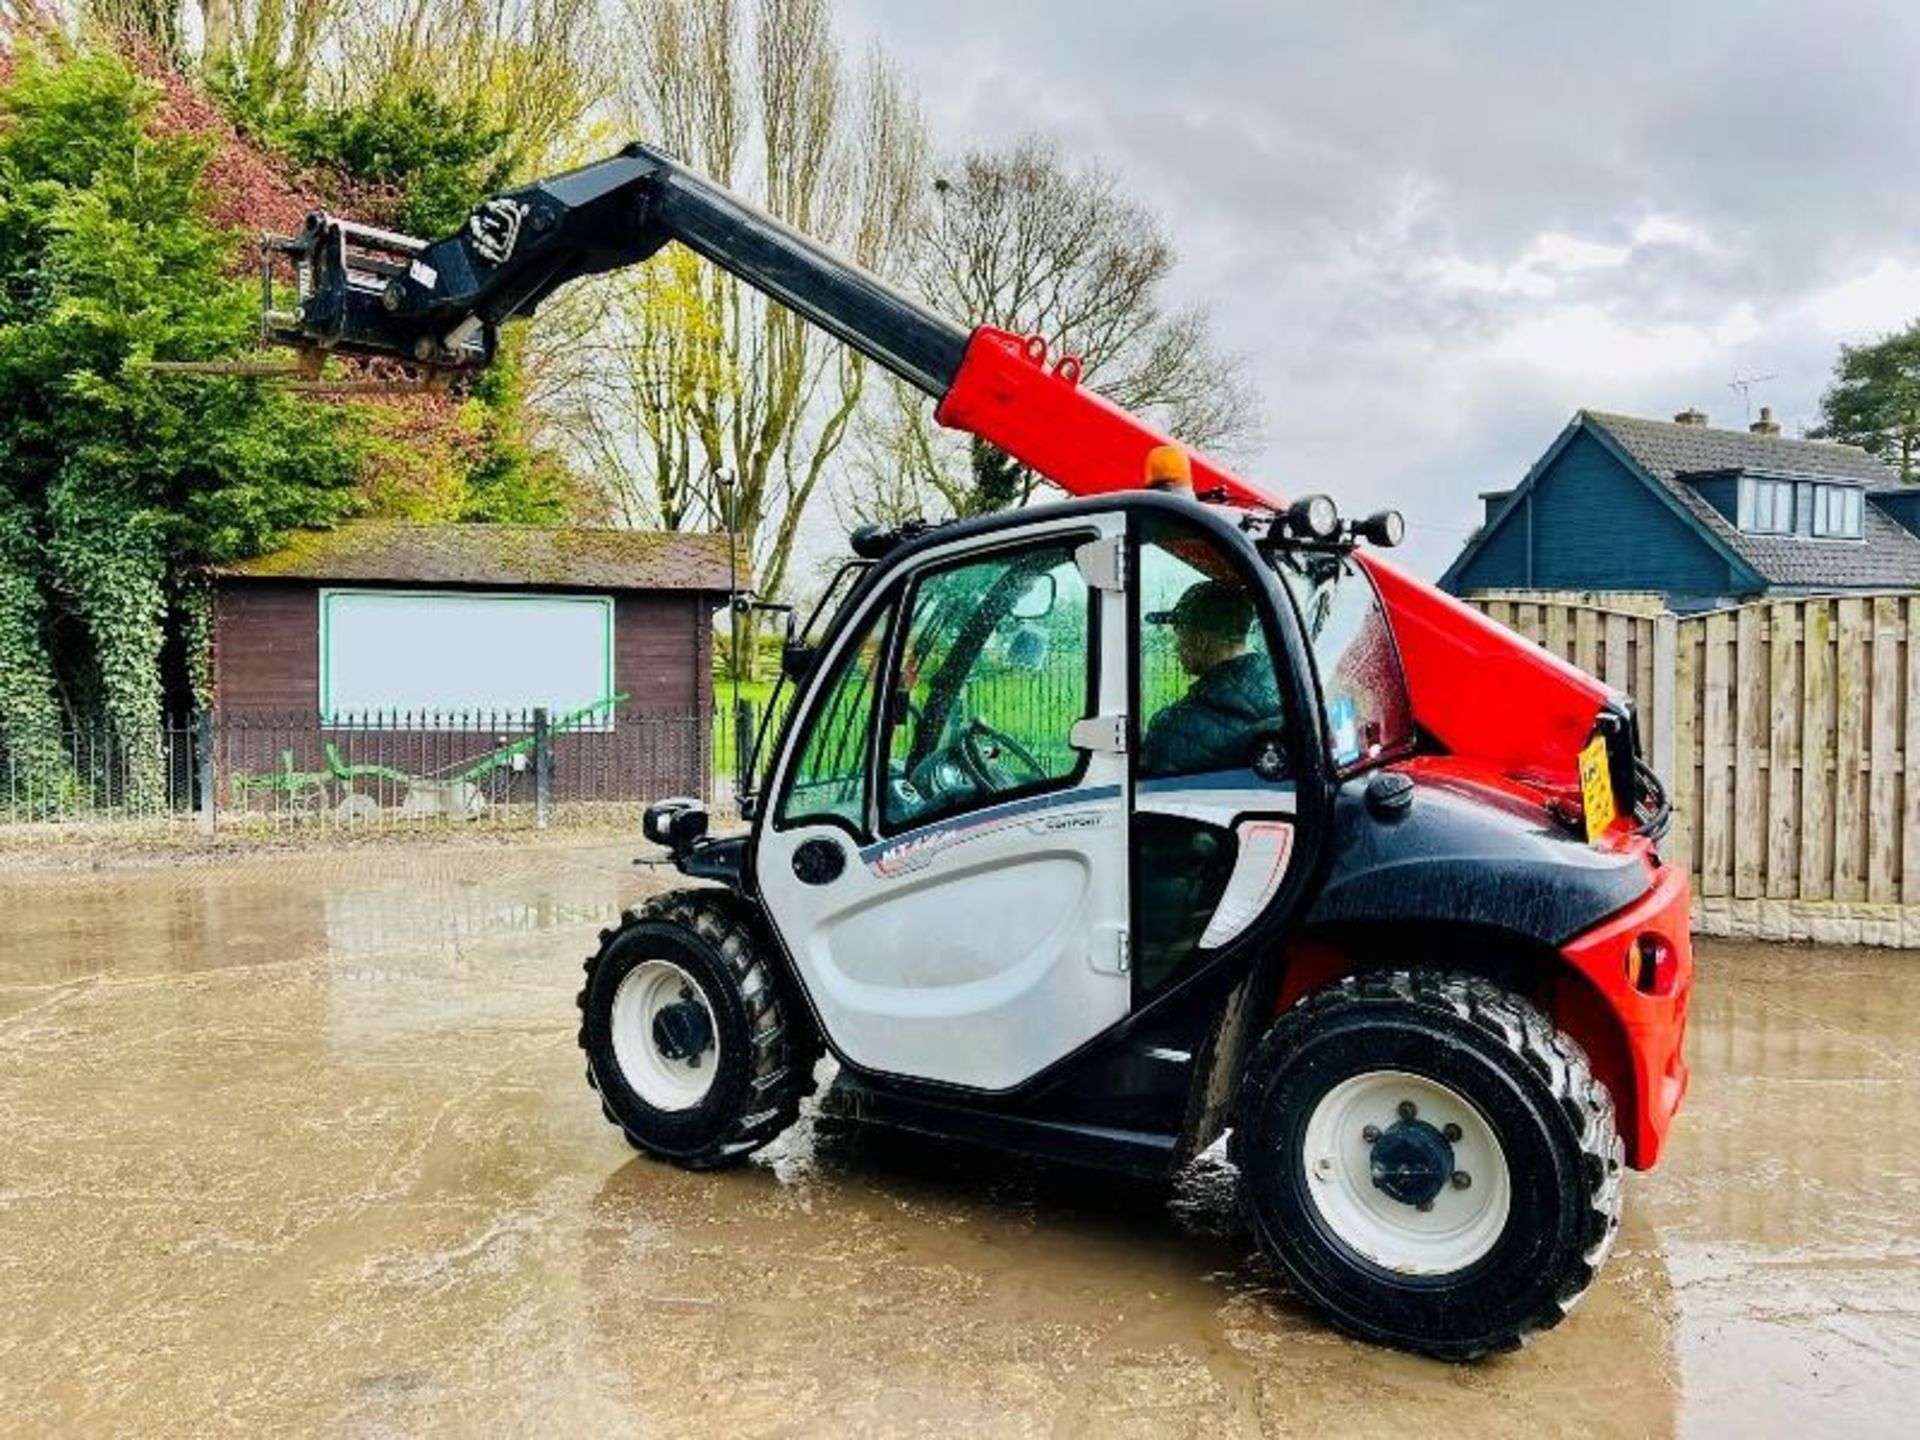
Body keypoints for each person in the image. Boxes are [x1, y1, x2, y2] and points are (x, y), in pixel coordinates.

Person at [1140, 578, 1283, 776]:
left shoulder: (1171, 731)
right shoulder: (1288, 696)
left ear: (1201, 641)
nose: (1175, 647)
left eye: (1179, 636)